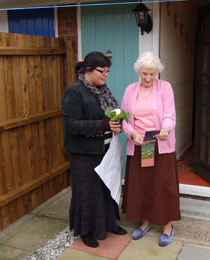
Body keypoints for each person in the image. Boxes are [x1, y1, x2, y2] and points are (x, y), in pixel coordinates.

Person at [61, 51, 126, 248]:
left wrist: (117, 120)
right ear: (88, 70)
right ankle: (86, 230)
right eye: (102, 71)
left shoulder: (102, 89)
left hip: (104, 149)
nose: (106, 75)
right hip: (83, 153)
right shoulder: (74, 92)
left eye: (108, 71)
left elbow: (108, 113)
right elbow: (73, 125)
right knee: (86, 192)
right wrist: (105, 125)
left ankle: (108, 223)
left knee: (105, 187)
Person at [121, 52, 181, 247]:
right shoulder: (130, 90)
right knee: (143, 184)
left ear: (157, 73)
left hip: (160, 144)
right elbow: (124, 119)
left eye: (152, 74)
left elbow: (170, 115)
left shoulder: (165, 88)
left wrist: (166, 129)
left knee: (163, 184)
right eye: (144, 73)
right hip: (141, 143)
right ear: (139, 72)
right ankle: (145, 221)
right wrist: (131, 134)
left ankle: (167, 226)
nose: (148, 78)